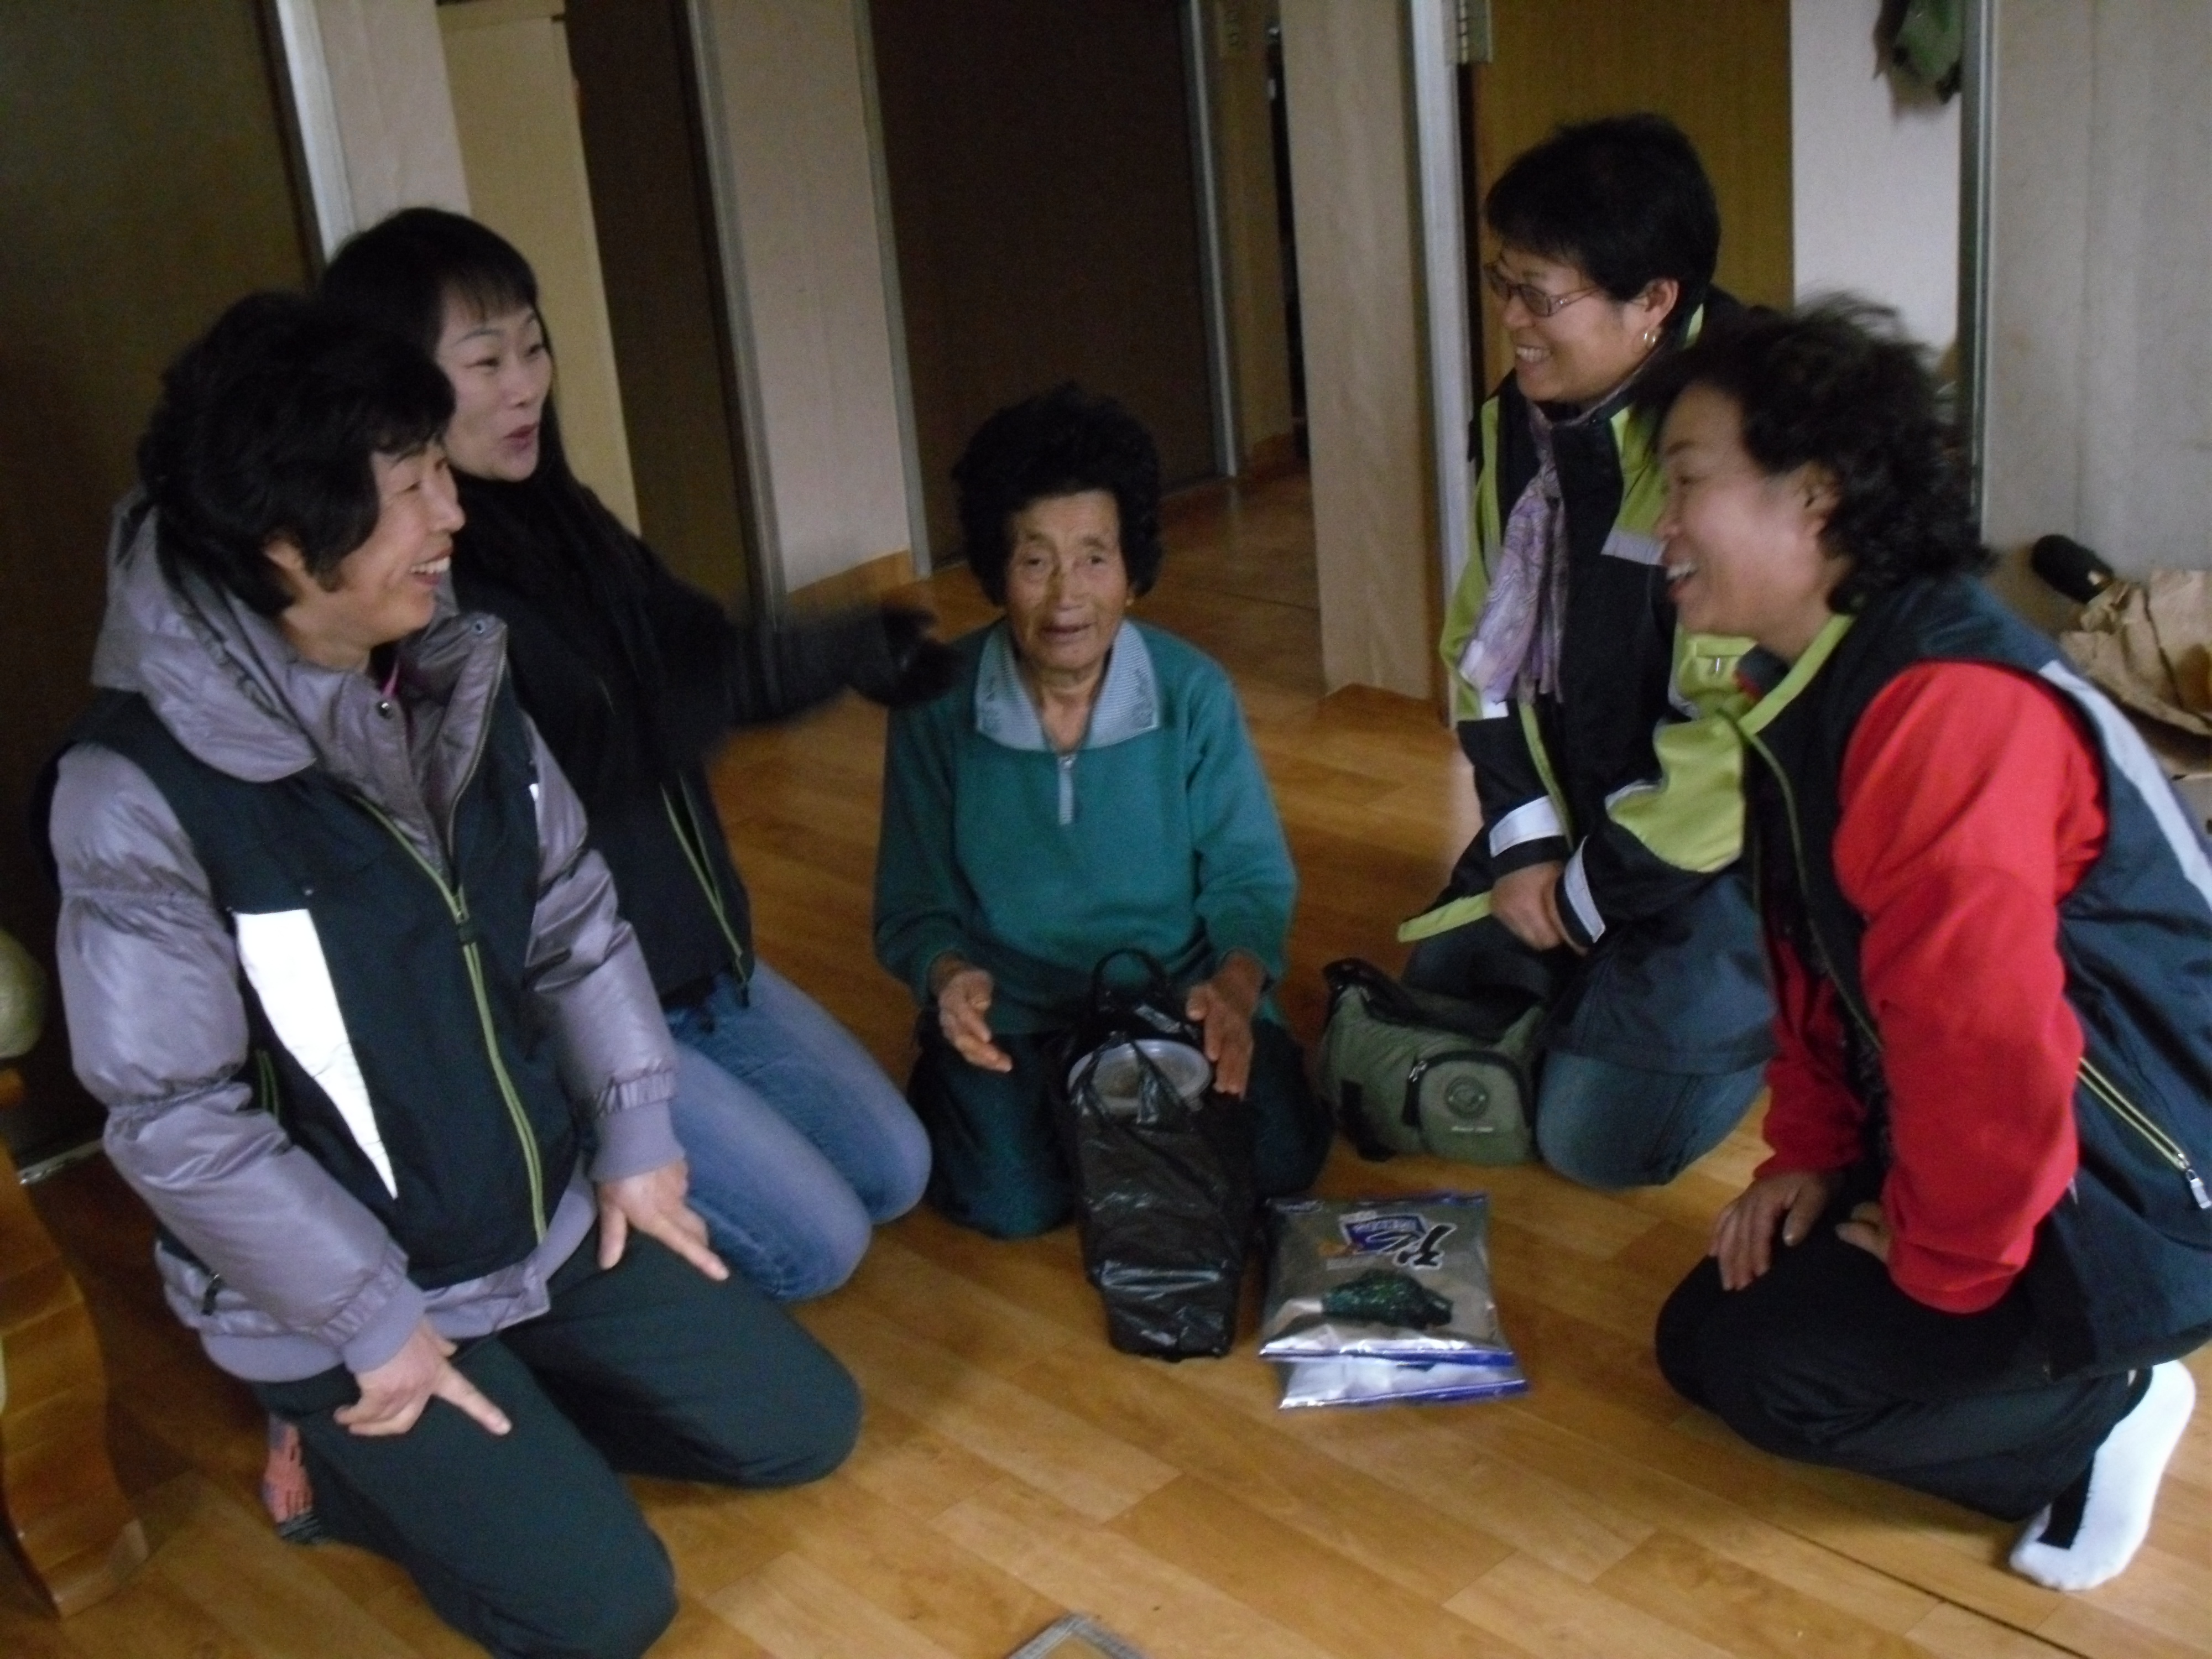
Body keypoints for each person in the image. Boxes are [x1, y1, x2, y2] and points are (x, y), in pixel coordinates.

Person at [44, 293, 858, 1657]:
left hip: (529, 1219)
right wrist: (368, 1321)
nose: (452, 515)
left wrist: (635, 1133)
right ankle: (339, 1466)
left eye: (441, 470)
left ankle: (509, 1437)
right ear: (287, 544)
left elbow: (570, 911)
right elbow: (174, 1118)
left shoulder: (448, 669)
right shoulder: (134, 792)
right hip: (348, 1292)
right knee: (605, 1609)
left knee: (802, 1427)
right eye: (412, 485)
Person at [1639, 301, 2209, 1593]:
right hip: (2026, 1139)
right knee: (1703, 1335)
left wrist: (1944, 1265)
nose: (1661, 526)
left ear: (1815, 493)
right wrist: (1813, 1153)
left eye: (1685, 482)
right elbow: (1810, 955)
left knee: (1771, 1376)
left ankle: (2107, 1408)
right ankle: (2034, 1352)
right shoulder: (1819, 672)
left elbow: (1982, 1045)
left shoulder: (1942, 709)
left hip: (2138, 1188)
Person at [322, 208, 940, 1305]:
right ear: (394, 389)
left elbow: (698, 652)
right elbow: (598, 748)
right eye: (485, 362)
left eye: (533, 347)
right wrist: (808, 659)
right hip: (588, 1015)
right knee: (821, 1248)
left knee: (897, 1170)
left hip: (698, 967)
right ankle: (573, 1175)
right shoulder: (427, 601)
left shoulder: (566, 518)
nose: (526, 386)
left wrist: (851, 652)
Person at [1400, 114, 1771, 1190]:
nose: (1510, 319)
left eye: (1538, 294)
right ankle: (1593, 974)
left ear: (1652, 301)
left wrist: (1585, 896)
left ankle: (1790, 997)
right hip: (1583, 809)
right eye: (1501, 282)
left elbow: (1732, 748)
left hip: (1722, 861)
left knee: (1594, 1144)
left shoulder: (1743, 445)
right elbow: (1479, 645)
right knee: (1434, 1002)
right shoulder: (1519, 425)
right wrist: (1525, 841)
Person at [873, 385, 1332, 1239]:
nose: (1066, 598)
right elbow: (914, 901)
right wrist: (947, 975)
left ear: (1133, 572)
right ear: (997, 572)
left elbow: (1250, 877)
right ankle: (994, 1091)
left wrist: (1236, 989)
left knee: (1278, 1164)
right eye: (1035, 561)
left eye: (1094, 558)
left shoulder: (1193, 693)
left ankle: (1087, 1125)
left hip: (1175, 996)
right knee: (1011, 1205)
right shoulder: (935, 707)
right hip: (1015, 1008)